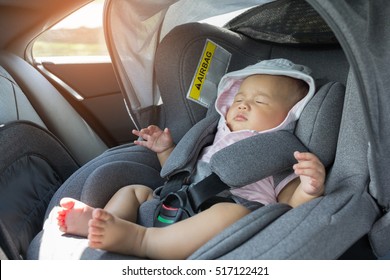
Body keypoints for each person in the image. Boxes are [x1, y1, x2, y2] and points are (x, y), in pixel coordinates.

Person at [55, 59, 325, 259]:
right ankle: (104, 220)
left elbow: (290, 201)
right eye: (240, 98)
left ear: (288, 116)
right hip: (176, 201)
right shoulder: (213, 138)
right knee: (135, 191)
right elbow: (182, 175)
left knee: (232, 212)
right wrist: (165, 151)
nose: (243, 104)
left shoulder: (276, 153)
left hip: (219, 219)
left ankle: (140, 240)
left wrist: (309, 187)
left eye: (260, 102)